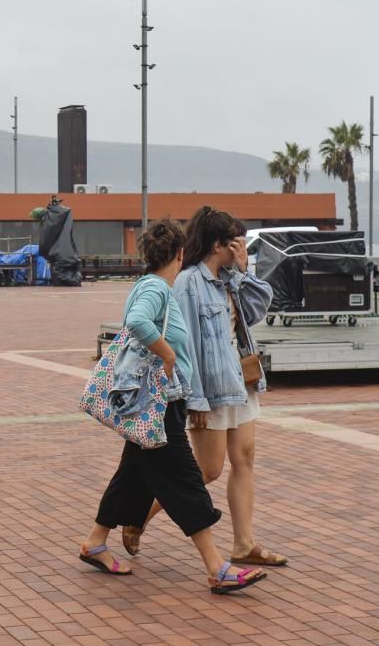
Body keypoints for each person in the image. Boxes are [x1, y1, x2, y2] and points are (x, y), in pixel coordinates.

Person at [79, 217, 268, 595]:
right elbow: (136, 322)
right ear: (179, 254)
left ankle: (95, 542)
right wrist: (166, 354)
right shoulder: (157, 290)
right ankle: (217, 568)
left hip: (156, 404)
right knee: (185, 482)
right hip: (160, 405)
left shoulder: (150, 285)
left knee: (130, 477)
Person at [126, 207, 286, 567]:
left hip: (240, 381)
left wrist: (245, 271)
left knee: (244, 457)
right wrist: (194, 399)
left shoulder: (231, 278)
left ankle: (244, 543)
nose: (242, 247)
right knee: (207, 470)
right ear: (218, 244)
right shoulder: (188, 284)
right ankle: (138, 518)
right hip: (209, 389)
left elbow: (259, 309)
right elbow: (187, 345)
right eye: (236, 242)